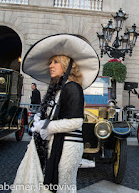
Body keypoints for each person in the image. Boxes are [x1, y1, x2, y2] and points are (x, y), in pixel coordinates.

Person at [12, 34, 100, 193]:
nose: (50, 65)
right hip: (58, 142)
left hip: (68, 146)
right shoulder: (60, 89)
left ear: (66, 65)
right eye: (50, 62)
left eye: (55, 62)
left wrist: (45, 127)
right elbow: (55, 116)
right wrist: (42, 121)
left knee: (63, 187)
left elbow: (76, 122)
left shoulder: (73, 87)